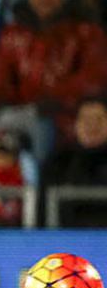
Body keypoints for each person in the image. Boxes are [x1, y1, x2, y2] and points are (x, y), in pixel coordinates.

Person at [0, 0, 107, 157]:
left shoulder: (87, 33)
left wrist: (52, 101)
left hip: (65, 120)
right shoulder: (12, 34)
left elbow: (94, 79)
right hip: (19, 117)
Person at [43, 97, 107, 228]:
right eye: (87, 120)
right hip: (67, 238)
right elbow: (43, 209)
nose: (93, 125)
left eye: (99, 119)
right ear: (76, 124)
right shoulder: (58, 161)